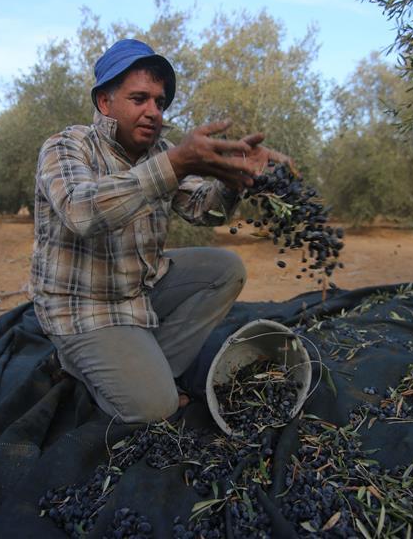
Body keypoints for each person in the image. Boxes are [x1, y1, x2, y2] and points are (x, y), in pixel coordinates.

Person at [29, 39, 288, 423]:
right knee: (155, 409)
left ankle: (149, 368)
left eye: (160, 102)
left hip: (137, 291)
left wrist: (237, 180)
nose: (154, 112)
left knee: (225, 270)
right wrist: (175, 163)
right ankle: (80, 362)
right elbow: (80, 211)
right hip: (82, 307)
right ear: (105, 102)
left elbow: (204, 211)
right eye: (139, 99)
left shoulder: (158, 153)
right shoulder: (67, 146)